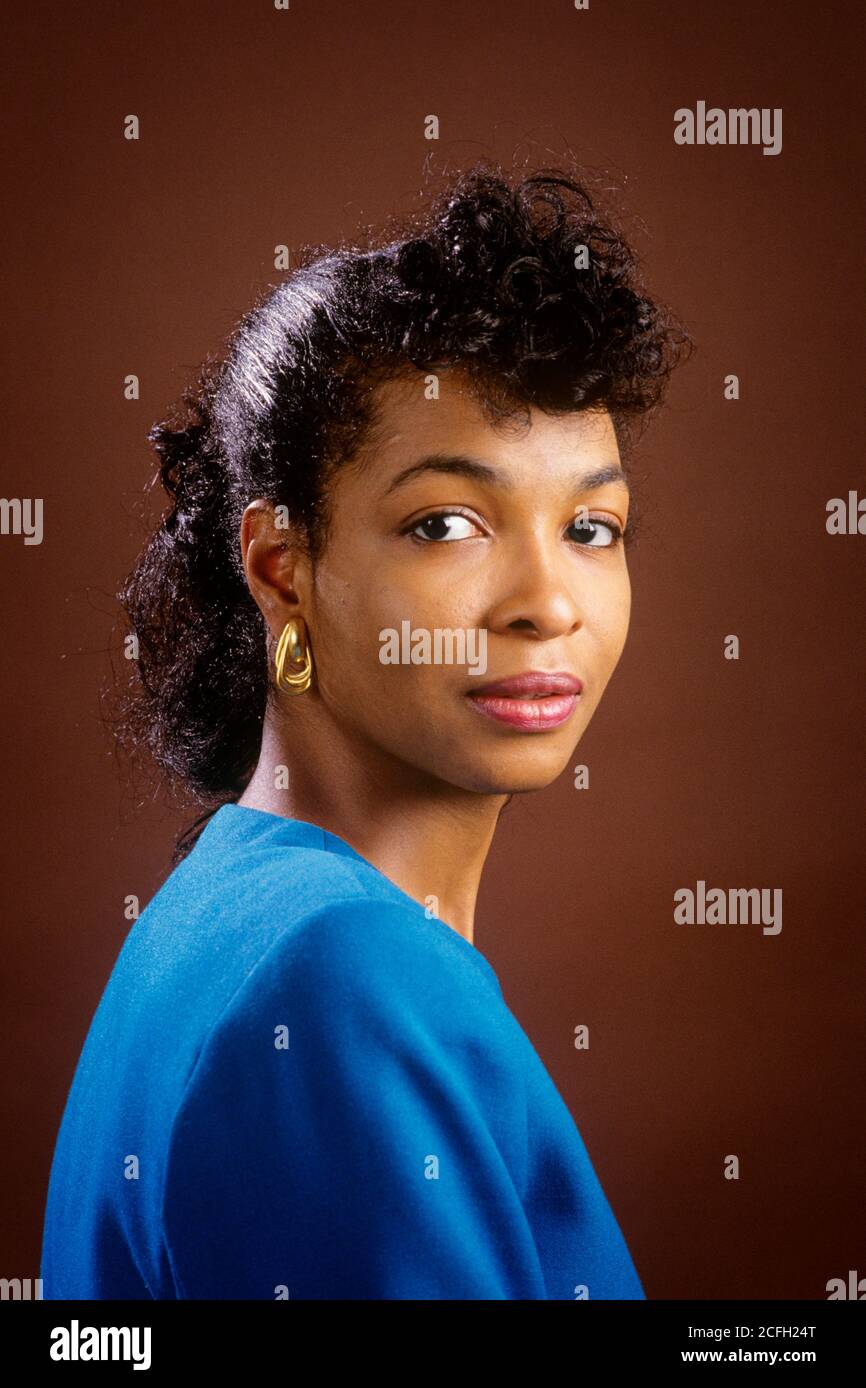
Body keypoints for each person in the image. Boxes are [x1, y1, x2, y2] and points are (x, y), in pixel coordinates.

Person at [40, 159, 692, 1299]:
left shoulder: (229, 905)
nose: (547, 601)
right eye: (446, 522)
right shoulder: (337, 976)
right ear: (282, 571)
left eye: (591, 525)